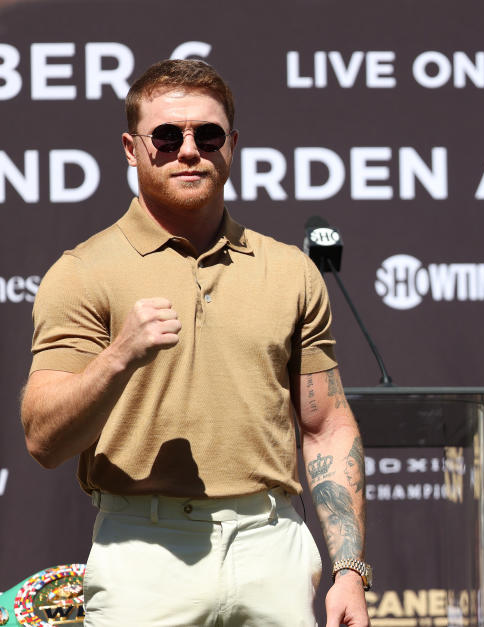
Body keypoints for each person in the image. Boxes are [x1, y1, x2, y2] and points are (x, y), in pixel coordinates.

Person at [20, 59, 371, 627]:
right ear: (132, 149)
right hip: (144, 551)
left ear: (231, 145)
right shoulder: (83, 271)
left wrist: (350, 570)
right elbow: (44, 440)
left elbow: (326, 426)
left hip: (273, 546)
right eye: (166, 136)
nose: (189, 151)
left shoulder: (290, 271)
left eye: (207, 135)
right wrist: (118, 357)